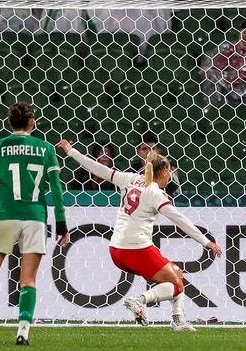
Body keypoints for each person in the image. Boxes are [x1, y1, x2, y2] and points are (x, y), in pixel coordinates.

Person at [57, 138, 222, 331]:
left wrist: (71, 151)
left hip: (116, 249)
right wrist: (206, 241)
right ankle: (138, 300)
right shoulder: (155, 193)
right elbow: (180, 219)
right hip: (136, 248)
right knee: (176, 285)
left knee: (176, 273)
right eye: (170, 172)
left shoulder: (128, 179)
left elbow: (97, 168)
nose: (170, 176)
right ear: (165, 172)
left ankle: (178, 320)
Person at [0, 102, 69, 346]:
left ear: (11, 123)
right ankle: (23, 332)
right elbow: (56, 189)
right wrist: (61, 223)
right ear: (32, 122)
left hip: (5, 215)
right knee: (28, 280)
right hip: (35, 217)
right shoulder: (45, 148)